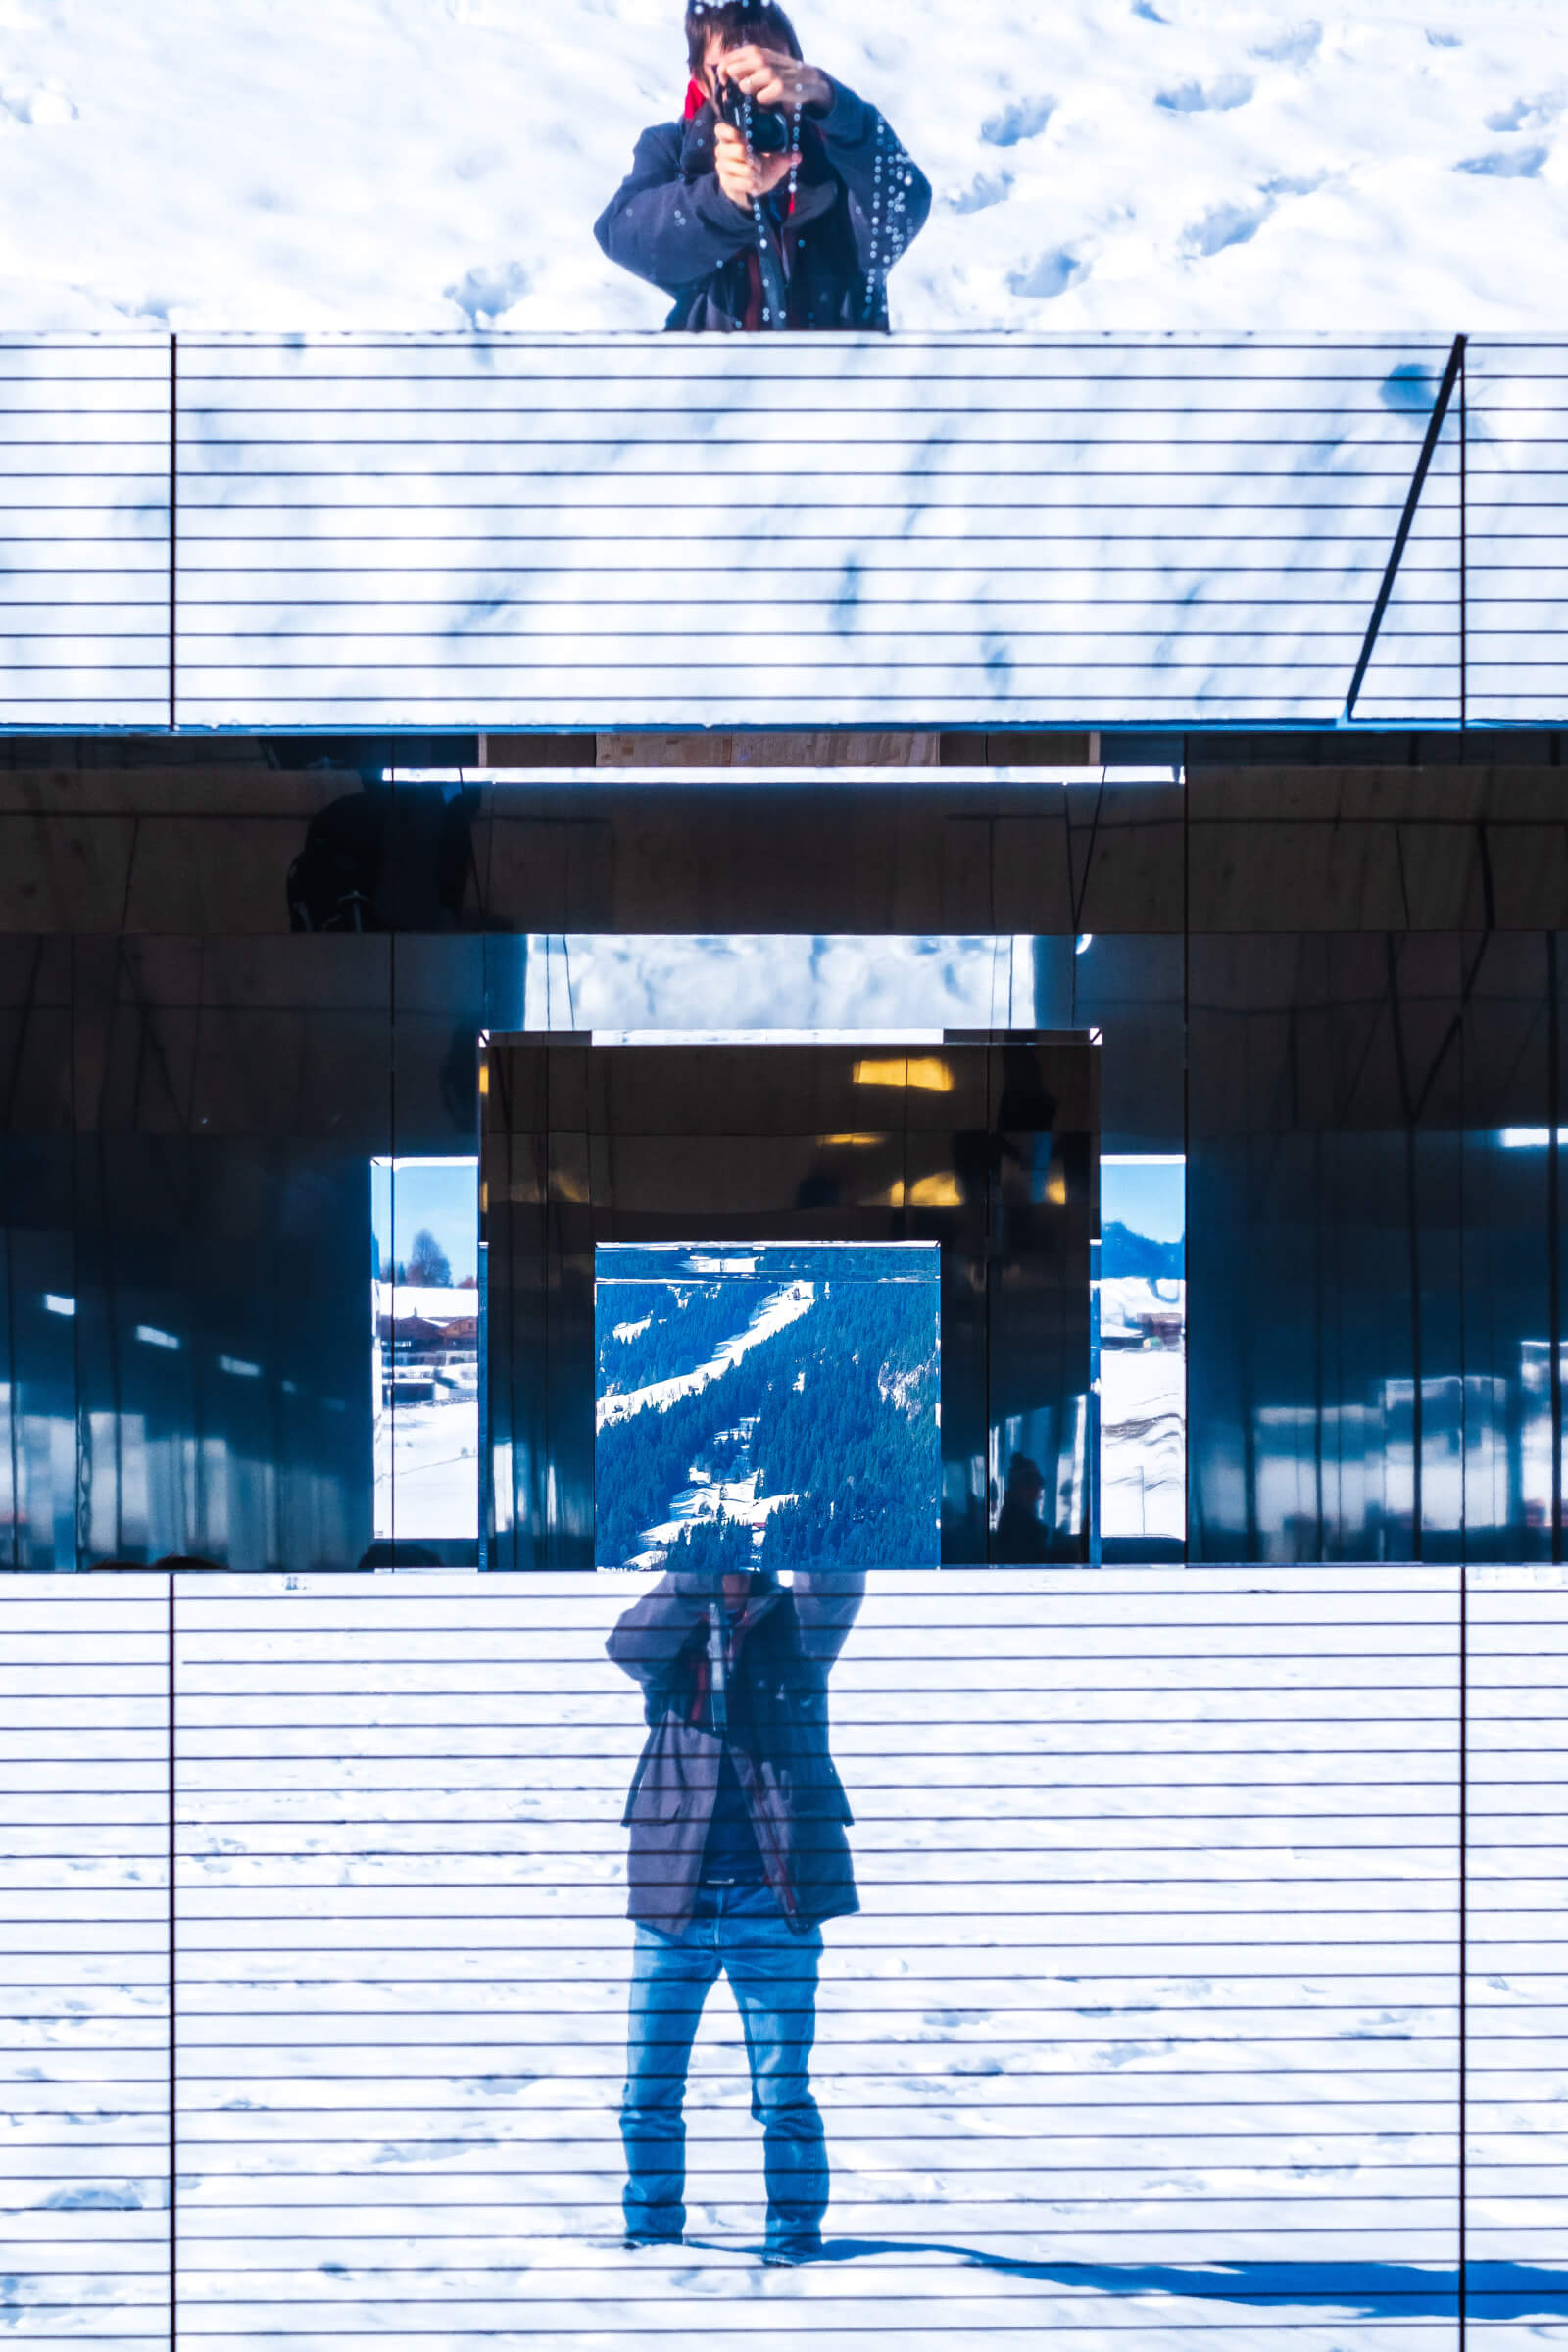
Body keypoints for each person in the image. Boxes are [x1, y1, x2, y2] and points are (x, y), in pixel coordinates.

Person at [606, 1563, 862, 2262]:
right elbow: (626, 1646)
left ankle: (794, 2238)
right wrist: (692, 1578)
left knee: (783, 2094)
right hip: (673, 1901)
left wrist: (811, 1501)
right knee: (648, 2093)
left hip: (772, 1899)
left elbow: (836, 1584)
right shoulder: (675, 1635)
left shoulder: (799, 1631)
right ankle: (652, 2237)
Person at [594, 0, 931, 331]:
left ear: (795, 69)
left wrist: (834, 103)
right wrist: (724, 200)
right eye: (731, 75)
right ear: (700, 79)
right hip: (720, 377)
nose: (754, 92)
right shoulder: (676, 150)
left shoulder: (836, 147)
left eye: (769, 69)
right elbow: (623, 236)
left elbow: (904, 205)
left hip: (842, 375)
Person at [992, 1452, 1052, 1563]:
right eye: (1035, 1488)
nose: (1039, 1496)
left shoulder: (1012, 1512)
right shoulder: (1017, 1520)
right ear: (1023, 1488)